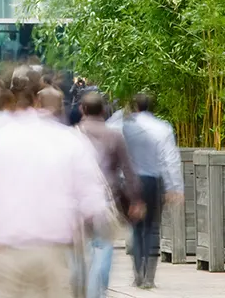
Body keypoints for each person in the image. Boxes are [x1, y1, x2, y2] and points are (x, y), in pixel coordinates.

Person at [0, 68, 109, 298]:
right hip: (53, 252)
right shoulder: (66, 139)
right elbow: (93, 202)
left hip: (7, 255)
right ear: (38, 98)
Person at [72, 93, 143, 298]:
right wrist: (136, 199)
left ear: (82, 110)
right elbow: (128, 170)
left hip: (77, 202)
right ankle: (97, 292)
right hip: (106, 200)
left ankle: (82, 289)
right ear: (103, 111)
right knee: (103, 247)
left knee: (81, 248)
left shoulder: (73, 135)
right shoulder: (114, 136)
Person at [119, 93, 182, 290]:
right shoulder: (163, 128)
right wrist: (174, 187)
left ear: (135, 107)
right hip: (153, 181)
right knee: (152, 227)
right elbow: (169, 159)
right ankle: (149, 277)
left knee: (136, 228)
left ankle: (138, 272)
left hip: (132, 182)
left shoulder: (125, 127)